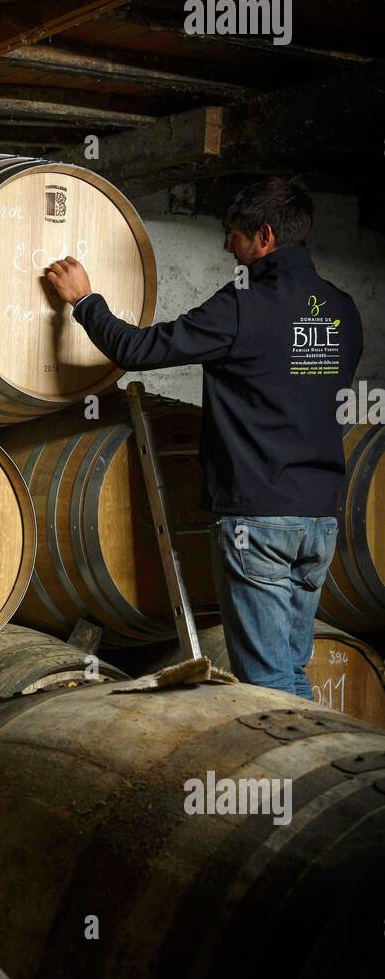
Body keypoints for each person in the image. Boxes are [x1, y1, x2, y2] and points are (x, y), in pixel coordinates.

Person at [44, 176, 363, 697]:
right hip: (319, 518)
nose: (226, 246)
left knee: (265, 683)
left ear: (263, 237)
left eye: (233, 234)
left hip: (258, 520)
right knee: (289, 670)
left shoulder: (243, 304)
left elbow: (141, 351)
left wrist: (85, 302)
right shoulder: (342, 309)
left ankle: (292, 777)